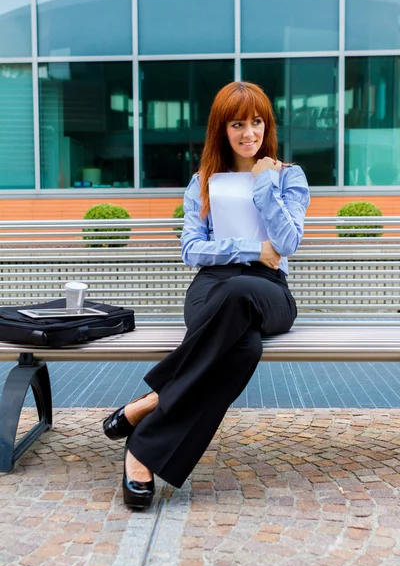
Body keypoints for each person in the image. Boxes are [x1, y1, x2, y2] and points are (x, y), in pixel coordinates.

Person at [102, 81, 310, 509]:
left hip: (268, 291)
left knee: (241, 292)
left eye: (257, 122)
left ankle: (150, 409)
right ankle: (145, 446)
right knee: (244, 349)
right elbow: (191, 249)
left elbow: (288, 243)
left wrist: (264, 185)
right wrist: (250, 249)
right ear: (222, 129)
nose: (249, 133)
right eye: (238, 124)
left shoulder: (288, 176)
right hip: (211, 289)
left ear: (267, 125)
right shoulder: (203, 181)